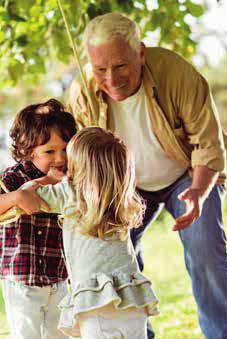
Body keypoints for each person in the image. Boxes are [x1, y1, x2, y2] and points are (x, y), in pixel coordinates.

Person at [66, 12, 227, 339]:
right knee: (117, 259)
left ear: (141, 53)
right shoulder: (82, 92)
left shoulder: (175, 73)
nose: (112, 79)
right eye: (100, 69)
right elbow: (81, 160)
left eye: (121, 66)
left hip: (188, 174)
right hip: (125, 188)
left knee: (204, 247)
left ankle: (224, 334)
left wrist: (199, 191)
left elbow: (208, 143)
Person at [15, 127, 159, 338]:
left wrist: (48, 179)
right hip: (131, 296)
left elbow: (25, 193)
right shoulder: (122, 199)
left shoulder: (69, 193)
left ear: (79, 166)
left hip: (94, 301)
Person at [0, 99, 77, 339]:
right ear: (28, 151)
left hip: (58, 275)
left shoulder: (73, 179)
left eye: (65, 149)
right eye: (49, 151)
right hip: (22, 279)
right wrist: (18, 196)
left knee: (60, 333)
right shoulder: (14, 178)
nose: (60, 158)